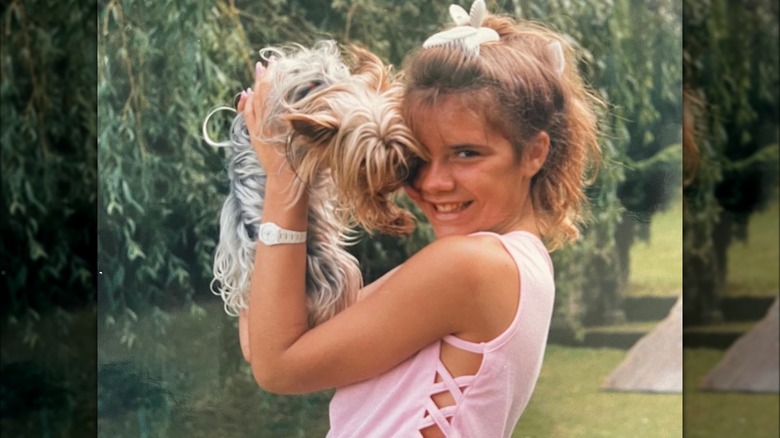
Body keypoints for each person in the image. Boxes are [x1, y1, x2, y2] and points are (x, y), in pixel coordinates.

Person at [236, 1, 602, 436]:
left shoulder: (472, 266)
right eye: (419, 159)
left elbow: (278, 368)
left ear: (535, 152)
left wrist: (283, 182)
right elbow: (265, 340)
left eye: (467, 153)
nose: (434, 183)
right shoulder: (510, 263)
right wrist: (309, 154)